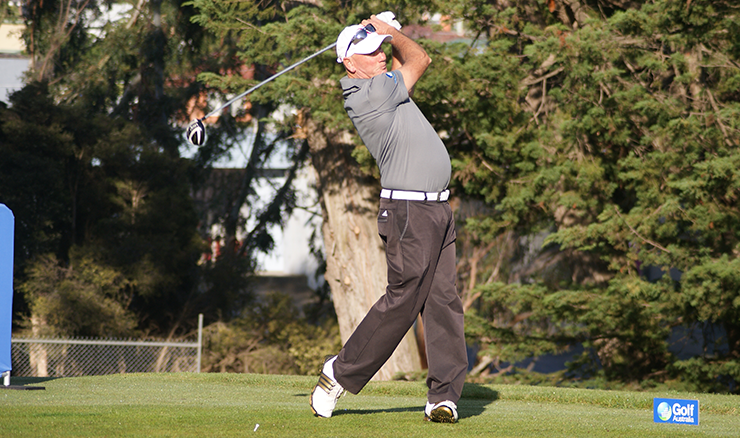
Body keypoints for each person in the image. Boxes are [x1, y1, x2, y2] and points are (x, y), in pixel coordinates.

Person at [309, 14, 468, 423]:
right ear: (350, 64)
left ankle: (442, 397)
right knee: (404, 301)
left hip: (436, 208)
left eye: (378, 50)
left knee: (444, 302)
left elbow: (403, 64)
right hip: (410, 211)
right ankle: (338, 374)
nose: (378, 56)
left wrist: (383, 31)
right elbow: (418, 59)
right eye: (368, 53)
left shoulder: (384, 87)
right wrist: (390, 32)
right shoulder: (369, 93)